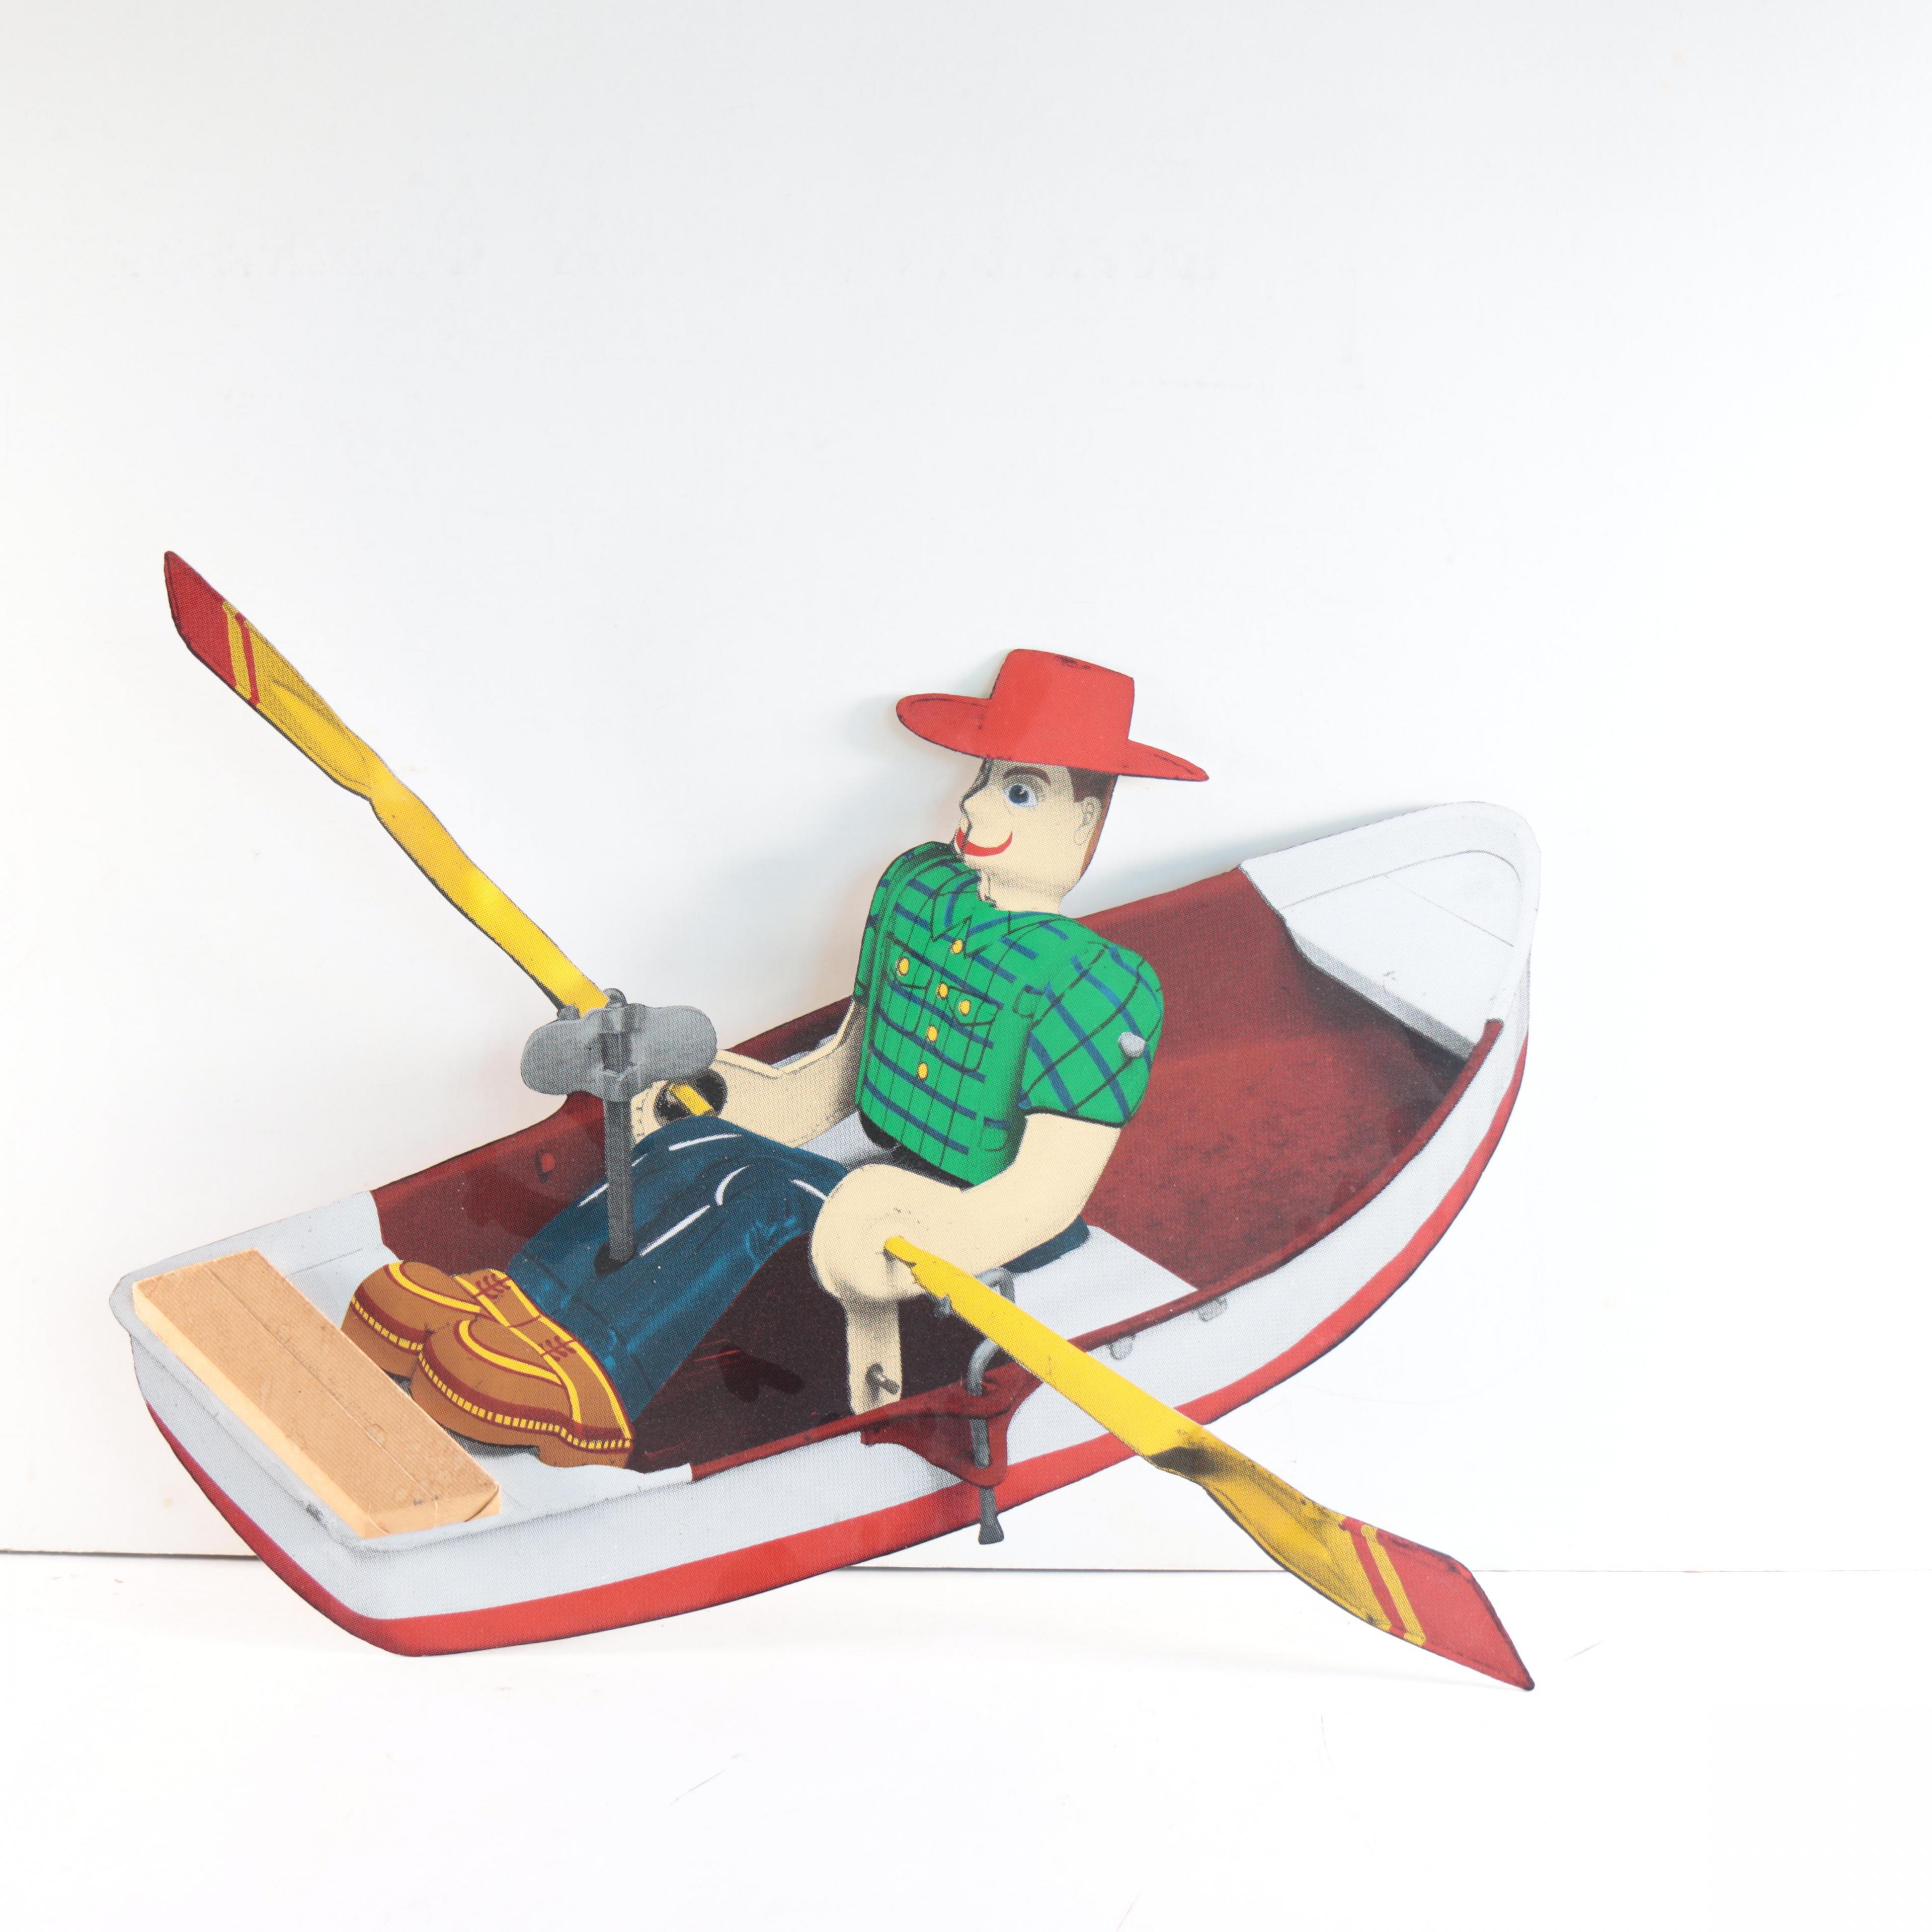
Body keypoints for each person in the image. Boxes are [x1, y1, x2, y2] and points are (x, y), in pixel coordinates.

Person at [342, 650, 1207, 1464]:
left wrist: (930, 1231)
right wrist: (727, 1096)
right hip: (878, 1157)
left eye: (1020, 792)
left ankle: (595, 1377)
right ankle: (519, 1300)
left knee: (758, 1188)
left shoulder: (1103, 984)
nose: (976, 808)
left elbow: (1046, 1194)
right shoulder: (922, 888)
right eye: (985, 779)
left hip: (974, 1220)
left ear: (1085, 819)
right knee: (693, 1142)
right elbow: (846, 1067)